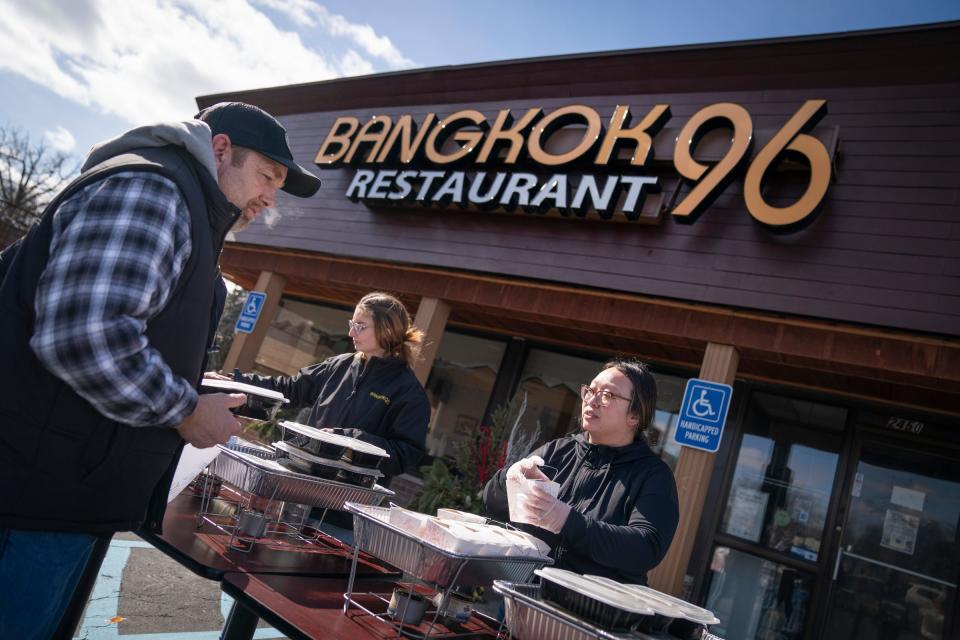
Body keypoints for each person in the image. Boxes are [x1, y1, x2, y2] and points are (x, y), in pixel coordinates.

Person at [0, 102, 321, 639]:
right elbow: (85, 333)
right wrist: (187, 411)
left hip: (58, 496)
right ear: (220, 150)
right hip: (30, 500)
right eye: (267, 176)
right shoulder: (155, 191)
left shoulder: (178, 202)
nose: (270, 198)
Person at [483, 358, 679, 585]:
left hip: (591, 612)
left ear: (635, 416)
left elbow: (646, 547)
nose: (592, 400)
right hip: (521, 592)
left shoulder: (653, 475)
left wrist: (567, 521)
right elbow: (491, 502)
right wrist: (507, 481)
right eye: (591, 391)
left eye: (608, 395)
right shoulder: (558, 450)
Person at [222, 292, 430, 484]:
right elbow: (289, 389)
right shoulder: (339, 365)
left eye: (360, 326)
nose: (350, 333)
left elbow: (404, 454)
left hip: (346, 507)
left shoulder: (409, 393)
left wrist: (349, 440)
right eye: (352, 324)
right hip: (302, 486)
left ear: (387, 330)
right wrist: (234, 382)